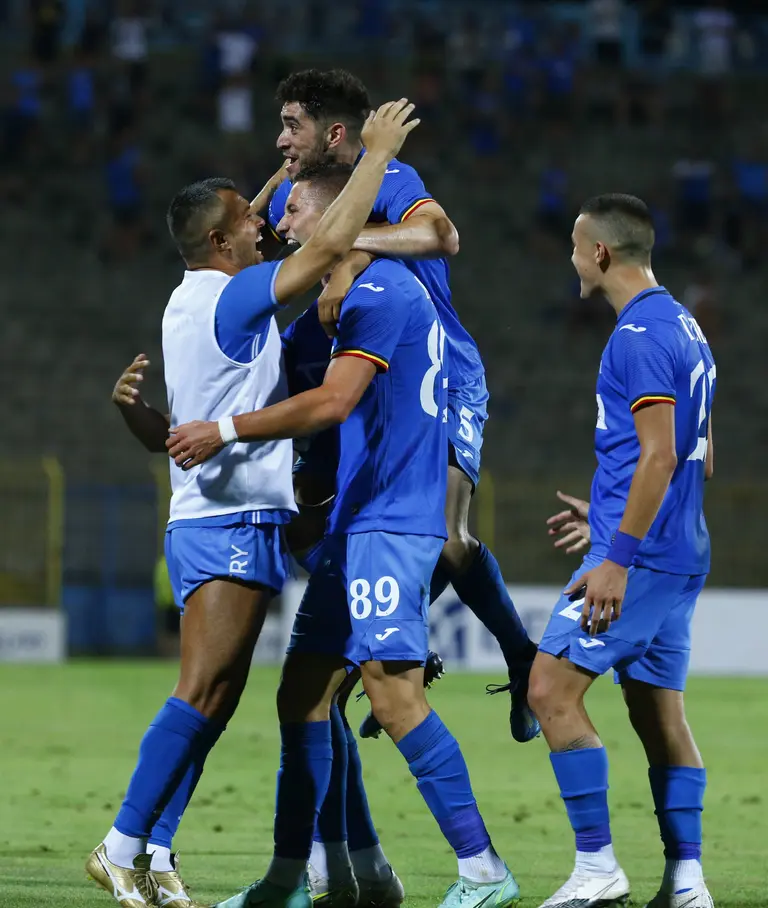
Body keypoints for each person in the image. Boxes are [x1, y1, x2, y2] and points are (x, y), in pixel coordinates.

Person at [85, 99, 420, 908]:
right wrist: (375, 155)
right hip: (228, 520)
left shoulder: (193, 294)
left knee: (217, 700)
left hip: (231, 515)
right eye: (248, 219)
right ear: (218, 242)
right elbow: (328, 245)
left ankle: (156, 851)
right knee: (201, 692)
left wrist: (287, 169)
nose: (263, 222)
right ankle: (120, 846)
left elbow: (250, 214)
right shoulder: (233, 299)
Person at [168, 163, 522, 908]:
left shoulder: (385, 292)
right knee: (302, 695)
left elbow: (332, 403)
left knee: (393, 698)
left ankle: (485, 871)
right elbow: (279, 365)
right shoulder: (340, 298)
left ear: (338, 221)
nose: (281, 225)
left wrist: (222, 429)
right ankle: (288, 879)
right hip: (355, 522)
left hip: (392, 517)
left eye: (296, 212)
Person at [259, 67, 539, 742]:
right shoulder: (299, 192)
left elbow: (441, 235)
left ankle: (521, 658)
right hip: (357, 370)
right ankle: (384, 642)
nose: (280, 139)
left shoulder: (389, 177)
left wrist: (349, 248)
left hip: (438, 376)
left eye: (292, 126)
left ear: (334, 133)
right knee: (309, 520)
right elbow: (250, 228)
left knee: (445, 534)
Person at [527, 194, 716, 908]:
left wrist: (618, 554)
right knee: (658, 714)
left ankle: (597, 867)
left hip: (640, 558)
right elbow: (702, 454)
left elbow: (660, 455)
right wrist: (608, 509)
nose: (572, 259)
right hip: (680, 550)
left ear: (600, 253)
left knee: (549, 690)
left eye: (576, 247)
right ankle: (687, 882)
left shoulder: (636, 335)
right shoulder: (686, 326)